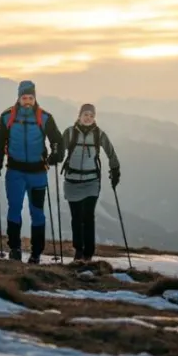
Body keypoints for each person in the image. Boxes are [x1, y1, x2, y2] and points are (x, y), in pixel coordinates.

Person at [0, 80, 64, 263]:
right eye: (24, 98)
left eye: (31, 98)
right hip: (15, 171)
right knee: (14, 209)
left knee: (37, 212)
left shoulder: (44, 117)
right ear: (19, 98)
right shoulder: (7, 117)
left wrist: (56, 155)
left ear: (35, 98)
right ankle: (14, 249)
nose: (28, 101)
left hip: (38, 172)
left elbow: (57, 140)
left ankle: (36, 252)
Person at [61, 103, 121, 261]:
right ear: (79, 116)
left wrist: (115, 169)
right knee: (76, 217)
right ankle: (78, 250)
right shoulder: (70, 133)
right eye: (86, 115)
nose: (88, 118)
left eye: (91, 116)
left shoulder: (99, 134)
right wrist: (53, 156)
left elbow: (111, 152)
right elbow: (59, 150)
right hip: (72, 181)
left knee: (88, 217)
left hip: (92, 181)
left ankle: (88, 253)